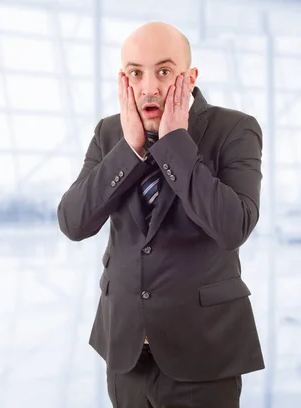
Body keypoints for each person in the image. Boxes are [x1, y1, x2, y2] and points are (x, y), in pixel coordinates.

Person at [57, 21, 264, 407]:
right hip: (125, 353)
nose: (149, 87)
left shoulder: (234, 129)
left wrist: (174, 144)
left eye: (164, 72)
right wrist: (129, 149)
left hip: (204, 353)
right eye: (136, 73)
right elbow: (74, 222)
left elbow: (233, 226)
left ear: (190, 77)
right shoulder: (108, 134)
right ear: (124, 80)